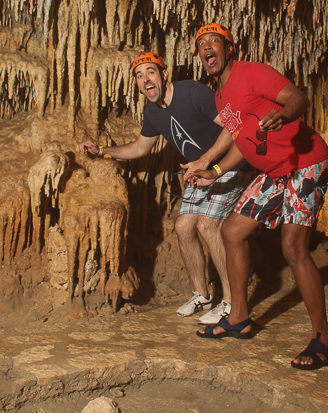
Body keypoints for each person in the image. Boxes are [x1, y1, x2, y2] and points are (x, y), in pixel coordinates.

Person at [184, 23, 328, 370]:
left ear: (229, 49)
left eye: (214, 41)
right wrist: (215, 171)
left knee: (293, 247)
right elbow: (241, 139)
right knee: (232, 232)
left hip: (305, 162)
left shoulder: (253, 73)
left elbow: (298, 97)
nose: (207, 47)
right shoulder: (220, 95)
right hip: (275, 172)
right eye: (201, 44)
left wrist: (284, 114)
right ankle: (238, 317)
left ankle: (323, 339)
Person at [79, 51, 249, 325]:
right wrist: (101, 151)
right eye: (139, 75)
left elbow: (233, 126)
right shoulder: (153, 114)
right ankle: (202, 295)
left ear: (164, 74)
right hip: (198, 172)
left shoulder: (192, 92)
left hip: (229, 165)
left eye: (150, 72)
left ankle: (231, 301)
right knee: (183, 227)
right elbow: (139, 147)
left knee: (207, 225)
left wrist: (209, 161)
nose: (145, 78)